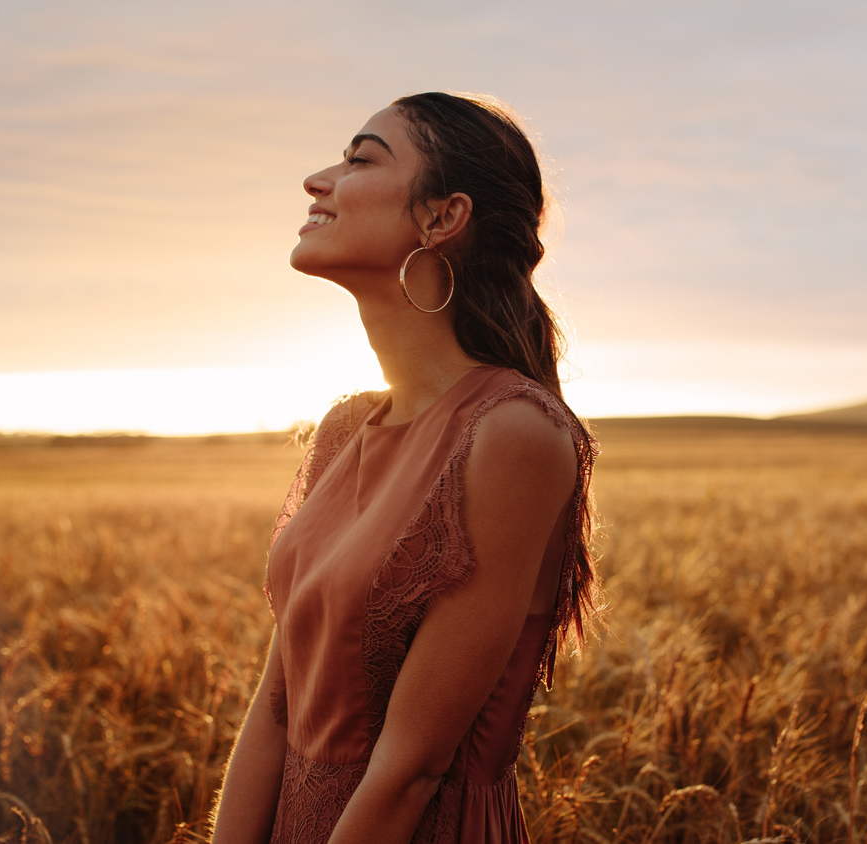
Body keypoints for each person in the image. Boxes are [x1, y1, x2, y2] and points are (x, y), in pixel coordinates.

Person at [209, 92, 598, 844]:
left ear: (442, 217)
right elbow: (277, 707)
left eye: (360, 159)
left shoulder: (511, 433)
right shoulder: (345, 430)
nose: (317, 181)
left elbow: (412, 769)